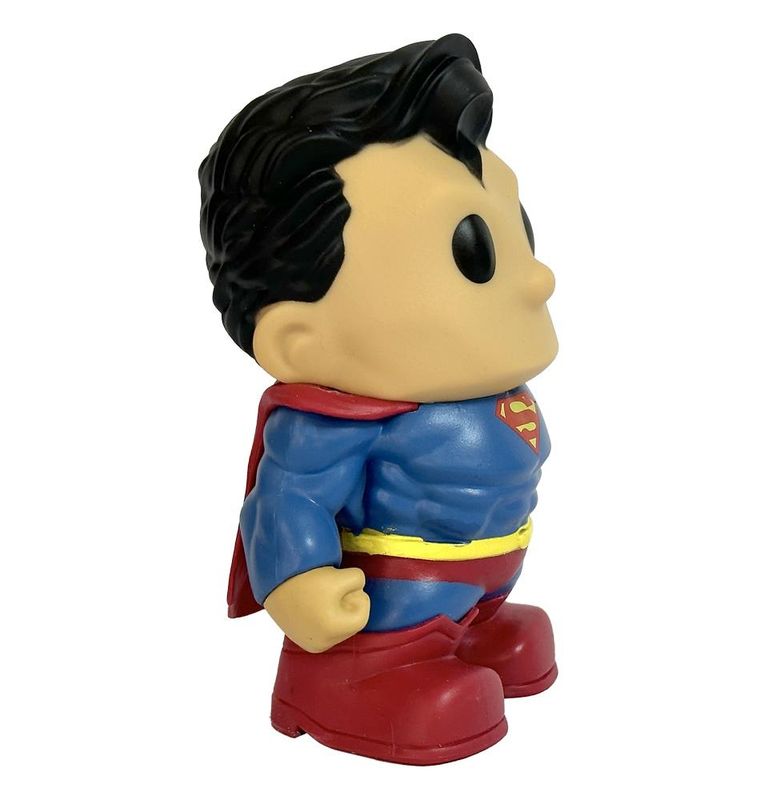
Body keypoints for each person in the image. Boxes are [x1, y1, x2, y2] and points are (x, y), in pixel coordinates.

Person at [199, 32, 559, 765]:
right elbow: (288, 499)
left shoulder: (492, 394)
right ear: (300, 341)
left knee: (511, 636)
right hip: (389, 604)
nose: (539, 278)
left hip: (482, 579)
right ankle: (357, 675)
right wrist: (299, 583)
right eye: (473, 251)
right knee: (405, 660)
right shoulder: (335, 421)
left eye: (517, 231)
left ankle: (468, 631)